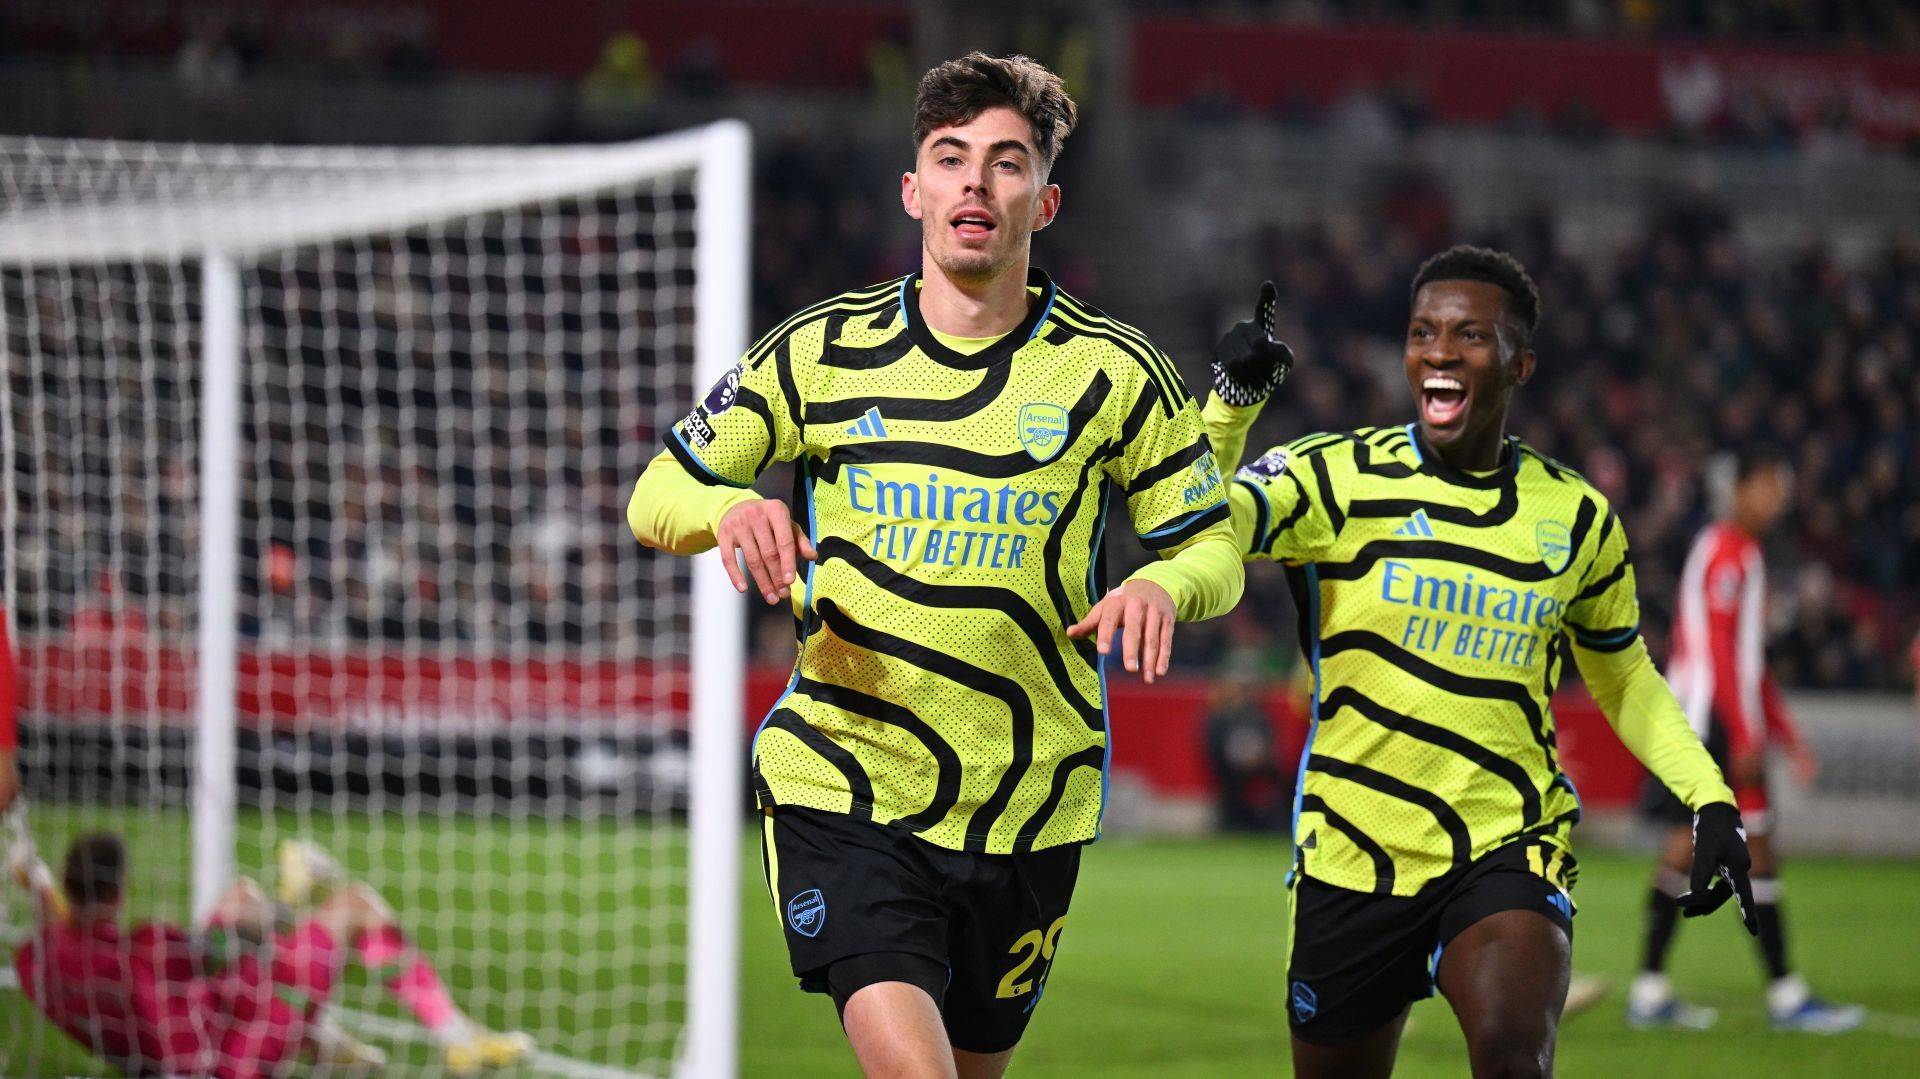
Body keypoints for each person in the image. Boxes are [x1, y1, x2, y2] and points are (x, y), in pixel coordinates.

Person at [628, 52, 1244, 1078]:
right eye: (950, 159)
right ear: (913, 189)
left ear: (1043, 201)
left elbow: (1213, 543)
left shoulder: (1115, 370)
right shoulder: (821, 351)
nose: (975, 183)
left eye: (1005, 165)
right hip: (847, 780)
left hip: (1032, 800)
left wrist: (1161, 582)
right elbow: (657, 493)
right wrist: (731, 503)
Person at [1204, 247, 1756, 1077]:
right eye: (1423, 331)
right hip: (1355, 849)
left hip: (1508, 841)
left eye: (1469, 334)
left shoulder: (1576, 516)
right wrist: (1228, 410)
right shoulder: (1335, 475)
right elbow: (1197, 522)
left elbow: (1626, 676)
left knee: (1511, 1053)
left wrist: (1709, 794)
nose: (1439, 350)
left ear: (1518, 362)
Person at [1627, 449, 1863, 1032]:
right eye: (1769, 486)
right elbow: (1717, 654)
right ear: (1741, 489)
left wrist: (1786, 733)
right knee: (1743, 847)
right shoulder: (1726, 552)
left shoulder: (1741, 553)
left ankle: (1652, 991)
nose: (1778, 499)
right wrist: (1744, 732)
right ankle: (1784, 997)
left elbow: (1747, 661)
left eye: (1783, 488)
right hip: (1711, 723)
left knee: (1693, 847)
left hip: (1713, 720)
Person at [8, 833, 533, 1078]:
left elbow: (67, 931)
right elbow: (236, 950)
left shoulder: (37, 963)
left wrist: (37, 883)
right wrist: (293, 895)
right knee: (353, 907)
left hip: (180, 1038)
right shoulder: (147, 951)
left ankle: (328, 1044)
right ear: (120, 892)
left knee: (240, 898)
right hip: (234, 1057)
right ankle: (457, 1040)